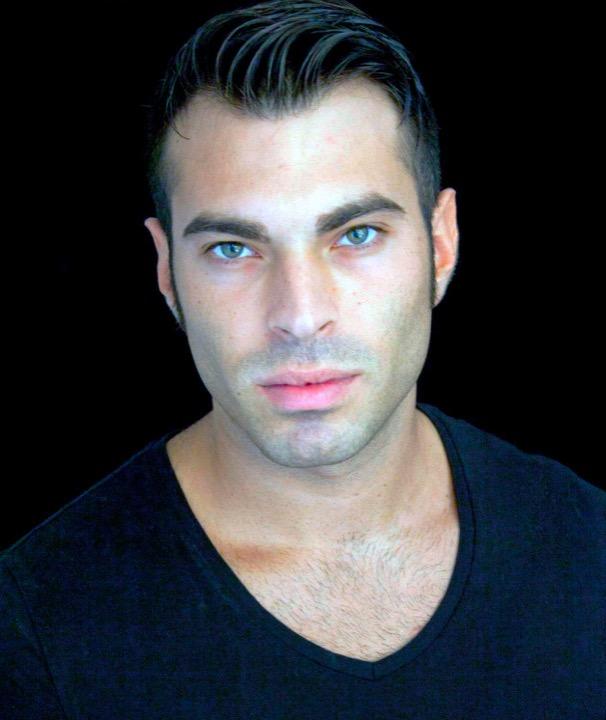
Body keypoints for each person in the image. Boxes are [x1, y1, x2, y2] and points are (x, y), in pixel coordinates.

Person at [2, 1, 604, 717]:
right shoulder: (34, 624)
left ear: (441, 245)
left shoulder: (589, 546)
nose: (298, 314)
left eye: (356, 235)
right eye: (233, 248)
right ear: (166, 272)